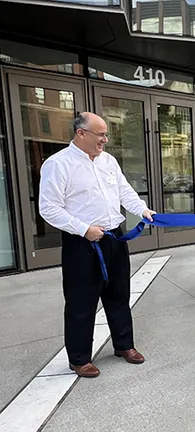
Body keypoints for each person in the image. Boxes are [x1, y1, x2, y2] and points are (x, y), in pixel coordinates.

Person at [39, 112, 156, 378]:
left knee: (119, 295)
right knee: (81, 301)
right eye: (100, 134)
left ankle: (124, 345)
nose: (105, 139)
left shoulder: (109, 161)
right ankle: (79, 359)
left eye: (105, 134)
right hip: (82, 242)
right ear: (81, 133)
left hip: (114, 238)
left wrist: (143, 210)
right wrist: (84, 229)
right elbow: (48, 208)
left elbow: (125, 191)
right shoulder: (59, 164)